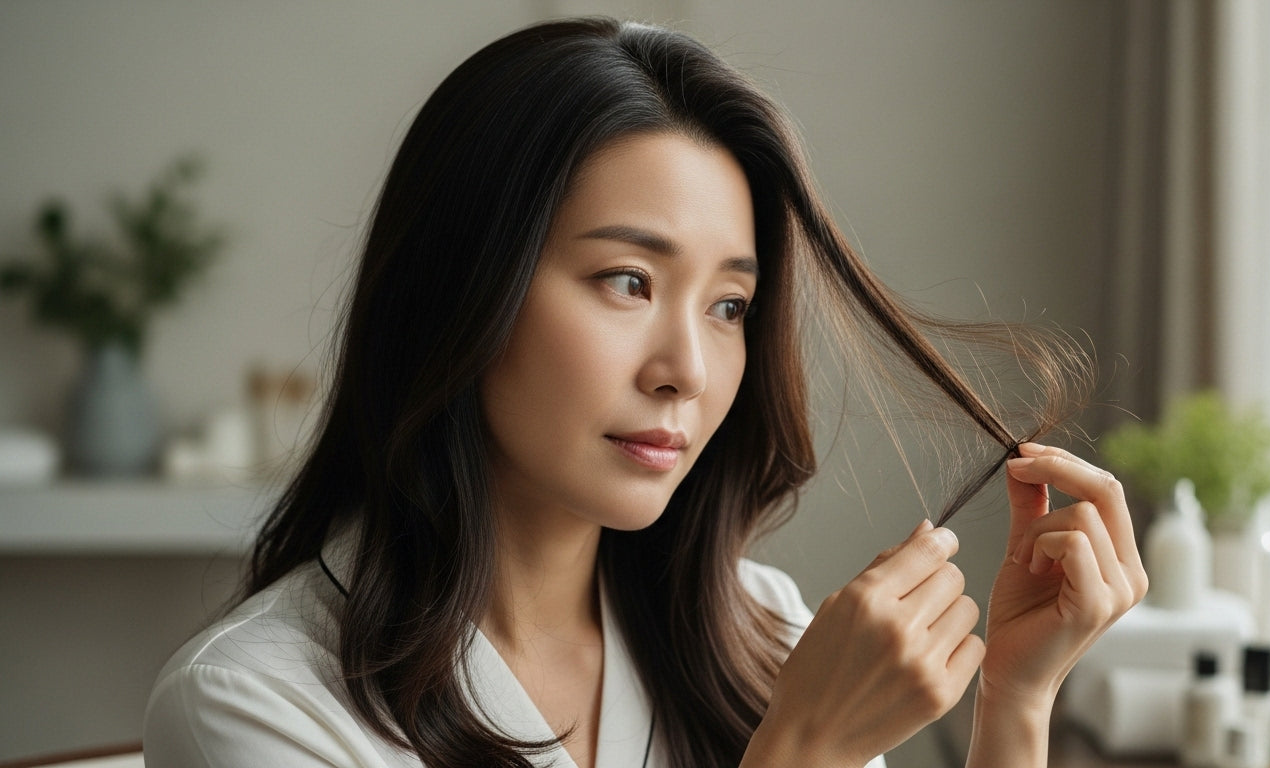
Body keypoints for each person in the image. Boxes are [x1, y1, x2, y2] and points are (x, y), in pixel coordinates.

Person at [144, 16, 1146, 768]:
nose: (689, 370)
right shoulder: (255, 704)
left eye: (728, 306)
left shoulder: (762, 632)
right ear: (461, 288)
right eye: (628, 281)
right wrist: (799, 747)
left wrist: (1014, 702)